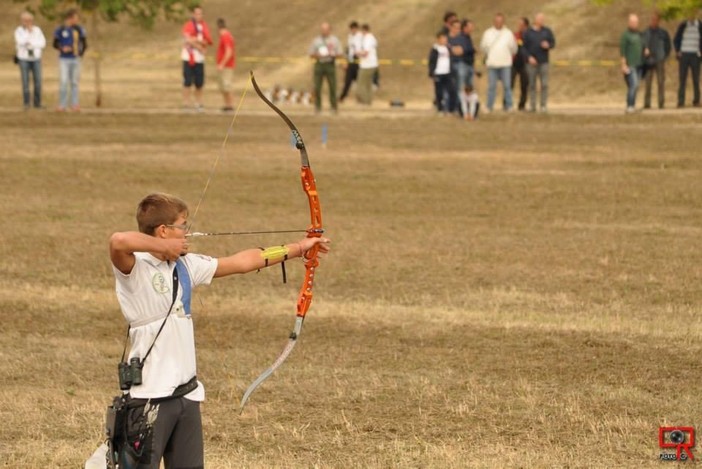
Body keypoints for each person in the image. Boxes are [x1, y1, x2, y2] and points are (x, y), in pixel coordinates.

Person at [108, 192, 331, 468]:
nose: (187, 233)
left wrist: (299, 247)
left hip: (187, 394)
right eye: (182, 226)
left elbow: (243, 262)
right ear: (163, 231)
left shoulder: (186, 265)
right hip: (149, 399)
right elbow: (118, 241)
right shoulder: (135, 268)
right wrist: (161, 249)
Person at [480, 13, 517, 112]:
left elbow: (514, 48)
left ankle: (509, 105)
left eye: (500, 21)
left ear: (503, 22)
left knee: (507, 86)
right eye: (497, 21)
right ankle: (489, 106)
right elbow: (483, 47)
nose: (498, 23)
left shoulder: (508, 33)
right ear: (494, 22)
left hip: (505, 63)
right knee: (492, 86)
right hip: (492, 64)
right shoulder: (487, 33)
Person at [53, 8, 86, 112]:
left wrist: (79, 53)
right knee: (63, 81)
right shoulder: (61, 29)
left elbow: (84, 43)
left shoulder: (79, 29)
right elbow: (55, 43)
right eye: (75, 18)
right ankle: (62, 105)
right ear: (70, 18)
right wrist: (62, 48)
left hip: (75, 59)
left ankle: (75, 104)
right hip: (64, 59)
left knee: (74, 82)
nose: (76, 21)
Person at [181, 6, 212, 111]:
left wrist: (196, 40)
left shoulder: (204, 27)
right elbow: (187, 39)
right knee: (187, 82)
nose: (199, 16)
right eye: (197, 13)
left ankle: (198, 103)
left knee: (199, 83)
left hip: (199, 59)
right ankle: (186, 104)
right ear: (193, 15)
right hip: (188, 58)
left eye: (200, 14)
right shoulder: (188, 25)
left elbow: (207, 40)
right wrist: (199, 44)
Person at [523, 12, 556, 113]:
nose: (542, 21)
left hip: (544, 62)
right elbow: (523, 48)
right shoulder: (528, 32)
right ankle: (532, 106)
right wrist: (529, 57)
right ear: (535, 20)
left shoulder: (547, 31)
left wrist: (548, 45)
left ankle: (543, 106)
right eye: (540, 19)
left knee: (544, 84)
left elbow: (553, 43)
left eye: (543, 19)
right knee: (532, 84)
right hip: (531, 63)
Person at [308, 22, 343, 113]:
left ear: (329, 30)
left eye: (326, 29)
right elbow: (311, 54)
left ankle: (333, 107)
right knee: (317, 87)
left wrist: (333, 54)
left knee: (332, 86)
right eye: (322, 29)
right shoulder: (316, 40)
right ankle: (318, 107)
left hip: (330, 64)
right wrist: (318, 55)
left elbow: (340, 53)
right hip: (319, 64)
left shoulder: (334, 40)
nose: (324, 31)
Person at [15, 11, 46, 110]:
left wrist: (31, 43)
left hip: (36, 58)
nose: (27, 22)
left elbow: (42, 43)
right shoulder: (18, 31)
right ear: (22, 21)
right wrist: (28, 33)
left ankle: (37, 103)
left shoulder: (37, 30)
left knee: (38, 81)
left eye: (29, 20)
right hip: (23, 59)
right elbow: (21, 42)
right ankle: (26, 103)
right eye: (25, 20)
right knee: (25, 82)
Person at [642, 12, 672, 109]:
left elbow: (668, 45)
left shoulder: (663, 33)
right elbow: (641, 45)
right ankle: (647, 103)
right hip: (648, 60)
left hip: (659, 60)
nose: (653, 21)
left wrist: (664, 56)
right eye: (652, 19)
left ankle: (661, 103)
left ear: (659, 21)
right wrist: (644, 52)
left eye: (656, 20)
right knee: (648, 82)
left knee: (660, 82)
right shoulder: (645, 32)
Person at [673, 13, 702, 108]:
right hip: (684, 54)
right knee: (682, 79)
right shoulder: (683, 25)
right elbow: (676, 39)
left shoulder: (700, 25)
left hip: (695, 55)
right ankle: (681, 101)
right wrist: (678, 51)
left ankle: (696, 100)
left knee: (696, 79)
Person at [620, 13, 644, 113]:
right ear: (629, 22)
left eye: (636, 22)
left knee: (636, 85)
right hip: (631, 65)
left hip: (639, 65)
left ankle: (633, 106)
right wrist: (624, 64)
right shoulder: (626, 35)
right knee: (633, 85)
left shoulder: (639, 34)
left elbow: (642, 45)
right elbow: (623, 52)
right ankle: (629, 106)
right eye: (633, 22)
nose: (635, 24)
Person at [428, 31, 456, 114]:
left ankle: (451, 109)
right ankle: (440, 109)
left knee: (452, 91)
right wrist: (432, 73)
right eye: (443, 39)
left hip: (447, 73)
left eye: (445, 39)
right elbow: (431, 62)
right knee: (439, 92)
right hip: (438, 73)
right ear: (438, 39)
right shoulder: (435, 49)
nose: (444, 40)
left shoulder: (448, 48)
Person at [448, 19, 471, 115]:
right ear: (451, 27)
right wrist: (453, 49)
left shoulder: (463, 38)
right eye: (455, 27)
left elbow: (460, 51)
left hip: (460, 65)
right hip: (447, 67)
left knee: (460, 87)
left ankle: (460, 108)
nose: (457, 30)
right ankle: (449, 107)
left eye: (459, 28)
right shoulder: (446, 38)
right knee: (450, 88)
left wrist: (453, 49)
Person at [216, 18, 236, 112]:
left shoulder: (226, 36)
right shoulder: (225, 36)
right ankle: (227, 104)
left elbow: (229, 52)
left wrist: (222, 64)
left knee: (227, 85)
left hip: (227, 66)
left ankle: (230, 105)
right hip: (224, 66)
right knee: (223, 86)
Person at [339, 21, 362, 103]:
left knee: (359, 81)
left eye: (354, 28)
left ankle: (361, 98)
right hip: (351, 60)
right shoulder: (350, 37)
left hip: (358, 61)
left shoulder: (360, 37)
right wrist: (345, 61)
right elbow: (348, 49)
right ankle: (342, 97)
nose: (352, 30)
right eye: (351, 29)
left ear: (356, 28)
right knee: (347, 81)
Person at [356, 24, 378, 105]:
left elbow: (365, 53)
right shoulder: (372, 38)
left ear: (364, 30)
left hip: (367, 65)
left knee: (361, 84)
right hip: (372, 64)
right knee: (368, 84)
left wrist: (357, 53)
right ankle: (368, 101)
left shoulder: (367, 38)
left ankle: (364, 101)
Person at [511, 17, 530, 111]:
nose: (520, 27)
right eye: (519, 25)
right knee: (510, 84)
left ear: (526, 25)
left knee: (524, 85)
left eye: (522, 25)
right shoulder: (515, 35)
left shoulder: (529, 36)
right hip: (514, 63)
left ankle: (522, 105)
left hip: (524, 63)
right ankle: (508, 103)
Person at [461, 19, 477, 88]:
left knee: (469, 87)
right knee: (463, 85)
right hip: (464, 64)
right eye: (470, 27)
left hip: (470, 64)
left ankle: (468, 98)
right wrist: (473, 50)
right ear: (465, 28)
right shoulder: (461, 37)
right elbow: (464, 49)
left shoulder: (468, 37)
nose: (472, 29)